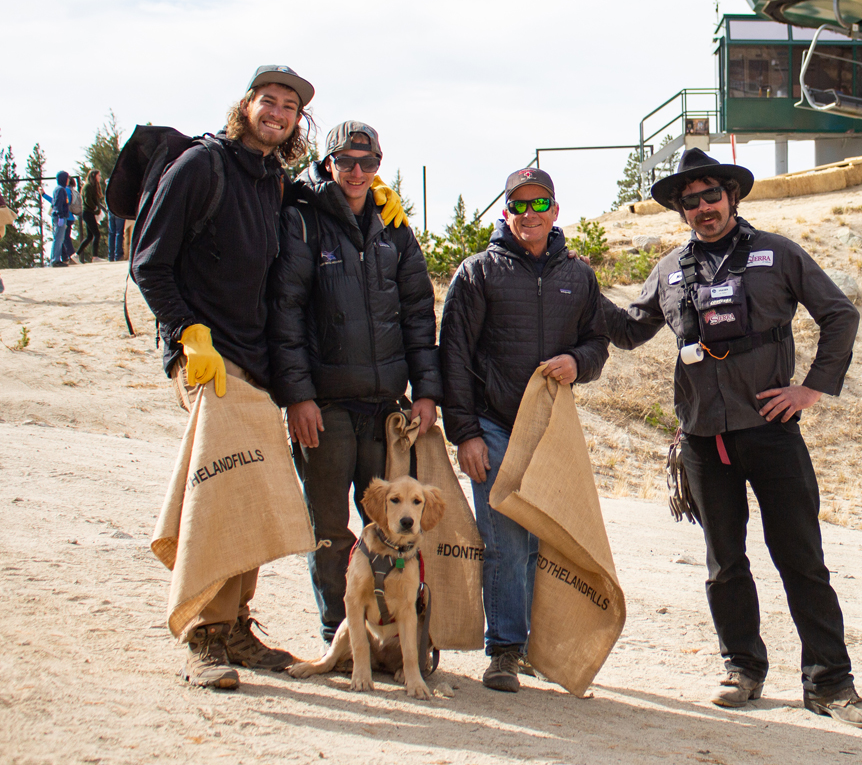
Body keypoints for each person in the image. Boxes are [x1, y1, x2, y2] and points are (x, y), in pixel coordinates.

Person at [595, 148, 862, 728]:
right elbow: (628, 331)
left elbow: (839, 315)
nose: (702, 208)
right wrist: (579, 285)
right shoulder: (671, 268)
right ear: (680, 211)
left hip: (772, 434)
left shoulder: (778, 253)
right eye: (689, 201)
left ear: (732, 197)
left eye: (711, 196)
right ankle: (742, 669)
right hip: (702, 441)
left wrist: (810, 389)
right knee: (724, 563)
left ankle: (831, 685)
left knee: (801, 560)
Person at [132, 65, 329, 689]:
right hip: (209, 359)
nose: (277, 111)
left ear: (298, 123)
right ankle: (203, 637)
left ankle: (235, 625)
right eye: (267, 100)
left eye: (289, 106)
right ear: (245, 106)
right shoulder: (201, 166)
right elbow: (149, 262)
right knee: (222, 492)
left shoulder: (273, 181)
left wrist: (369, 196)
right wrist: (188, 333)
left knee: (253, 494)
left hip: (256, 364)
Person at [269, 120, 442, 648]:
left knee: (393, 529)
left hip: (385, 409)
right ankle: (338, 633)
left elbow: (417, 312)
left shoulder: (394, 228)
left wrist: (427, 391)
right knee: (329, 528)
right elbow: (286, 313)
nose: (357, 172)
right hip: (324, 405)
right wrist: (298, 396)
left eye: (368, 164)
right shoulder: (301, 223)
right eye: (346, 162)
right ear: (328, 165)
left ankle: (390, 637)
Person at [439, 167, 609, 693]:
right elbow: (454, 358)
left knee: (544, 540)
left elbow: (598, 343)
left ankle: (537, 647)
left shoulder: (578, 276)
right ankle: (505, 651)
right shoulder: (477, 273)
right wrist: (464, 432)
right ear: (505, 212)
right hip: (491, 426)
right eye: (519, 205)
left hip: (550, 432)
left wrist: (578, 362)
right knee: (506, 540)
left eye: (540, 205)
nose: (529, 215)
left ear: (556, 211)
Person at [41, 171, 74, 267]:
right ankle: (55, 260)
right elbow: (58, 204)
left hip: (59, 216)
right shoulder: (61, 190)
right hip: (60, 216)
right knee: (58, 239)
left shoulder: (58, 189)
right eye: (67, 178)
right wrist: (60, 216)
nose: (68, 180)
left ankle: (55, 259)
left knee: (59, 238)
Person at [77, 169, 104, 262]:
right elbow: (87, 200)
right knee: (96, 234)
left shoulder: (92, 186)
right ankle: (95, 257)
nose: (100, 177)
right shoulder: (88, 186)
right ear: (94, 176)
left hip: (90, 213)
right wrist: (95, 208)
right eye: (98, 175)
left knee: (90, 236)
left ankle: (76, 255)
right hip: (88, 213)